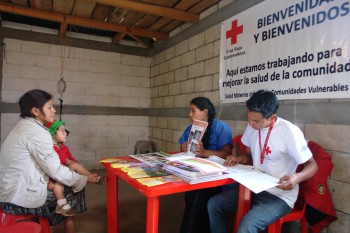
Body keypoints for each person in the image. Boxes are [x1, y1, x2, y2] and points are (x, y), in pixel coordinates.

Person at [207, 90, 318, 233]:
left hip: (279, 195)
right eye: (249, 118)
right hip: (254, 187)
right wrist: (239, 158)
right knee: (214, 205)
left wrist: (296, 178)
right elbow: (249, 155)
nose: (251, 124)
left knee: (247, 227)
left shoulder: (289, 132)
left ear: (272, 117)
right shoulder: (252, 126)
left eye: (256, 121)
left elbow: (312, 165)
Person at [0, 89, 97, 233]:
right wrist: (84, 179)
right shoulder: (39, 133)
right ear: (35, 111)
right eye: (49, 107)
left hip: (8, 191)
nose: (54, 110)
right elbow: (56, 170)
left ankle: (53, 220)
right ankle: (64, 220)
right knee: (74, 188)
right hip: (16, 199)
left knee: (67, 182)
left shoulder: (23, 126)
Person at [178, 97, 233, 233]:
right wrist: (183, 147)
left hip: (216, 178)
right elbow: (182, 145)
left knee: (196, 195)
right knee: (192, 195)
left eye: (193, 110)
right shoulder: (191, 128)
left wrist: (205, 152)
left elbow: (227, 153)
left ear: (205, 112)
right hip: (197, 172)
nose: (190, 115)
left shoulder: (221, 127)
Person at [45, 120, 105, 216]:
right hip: (54, 176)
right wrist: (49, 181)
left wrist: (77, 165)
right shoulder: (50, 149)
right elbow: (45, 168)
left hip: (64, 172)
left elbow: (71, 159)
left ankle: (93, 177)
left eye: (66, 130)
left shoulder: (64, 148)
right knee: (58, 186)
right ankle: (61, 205)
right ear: (53, 134)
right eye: (62, 130)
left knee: (75, 165)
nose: (66, 134)